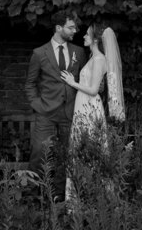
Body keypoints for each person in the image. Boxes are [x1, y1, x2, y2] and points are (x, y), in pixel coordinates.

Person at [59, 23, 125, 200]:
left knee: (90, 147)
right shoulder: (92, 58)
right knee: (80, 147)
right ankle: (79, 196)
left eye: (87, 35)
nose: (84, 37)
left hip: (90, 106)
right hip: (83, 105)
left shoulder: (99, 60)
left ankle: (96, 197)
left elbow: (94, 89)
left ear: (96, 39)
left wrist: (72, 83)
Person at [25, 12, 85, 201]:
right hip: (46, 113)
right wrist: (37, 105)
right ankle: (33, 196)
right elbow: (30, 83)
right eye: (71, 27)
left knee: (65, 155)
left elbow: (84, 79)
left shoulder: (79, 52)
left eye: (75, 27)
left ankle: (59, 196)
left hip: (69, 112)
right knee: (39, 153)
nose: (75, 30)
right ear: (59, 28)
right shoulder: (39, 53)